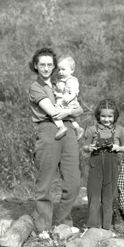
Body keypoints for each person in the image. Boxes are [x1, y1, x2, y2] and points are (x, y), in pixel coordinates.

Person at [28, 47, 83, 234]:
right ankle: (42, 227)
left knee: (73, 181)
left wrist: (70, 111)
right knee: (45, 182)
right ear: (35, 66)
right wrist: (70, 110)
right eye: (41, 64)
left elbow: (80, 109)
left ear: (54, 66)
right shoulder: (36, 87)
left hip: (67, 130)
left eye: (49, 65)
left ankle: (63, 224)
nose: (45, 68)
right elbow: (52, 111)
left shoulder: (60, 83)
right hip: (48, 130)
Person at [83, 99, 124, 230]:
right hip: (96, 164)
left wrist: (117, 147)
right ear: (98, 115)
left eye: (110, 116)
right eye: (103, 116)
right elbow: (84, 147)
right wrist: (90, 148)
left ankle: (106, 227)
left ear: (115, 116)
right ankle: (92, 227)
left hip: (111, 164)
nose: (106, 119)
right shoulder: (92, 130)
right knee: (94, 195)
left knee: (108, 196)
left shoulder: (120, 130)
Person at [53, 55, 84, 140]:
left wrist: (69, 97)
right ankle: (78, 128)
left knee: (55, 114)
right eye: (59, 70)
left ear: (72, 70)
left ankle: (61, 127)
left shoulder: (71, 80)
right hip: (63, 102)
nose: (60, 72)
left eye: (63, 70)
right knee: (70, 118)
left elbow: (74, 92)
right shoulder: (61, 81)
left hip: (67, 102)